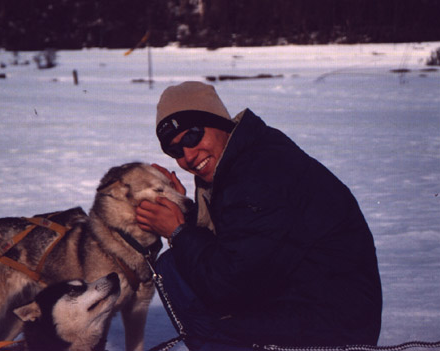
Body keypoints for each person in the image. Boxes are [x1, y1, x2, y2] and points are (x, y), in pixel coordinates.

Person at [136, 81, 382, 350]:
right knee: (177, 265)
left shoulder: (261, 174)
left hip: (333, 331)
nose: (188, 156)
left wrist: (179, 232)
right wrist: (183, 211)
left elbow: (228, 286)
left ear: (217, 121)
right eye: (175, 151)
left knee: (179, 270)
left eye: (193, 136)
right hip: (310, 307)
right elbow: (242, 245)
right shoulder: (246, 158)